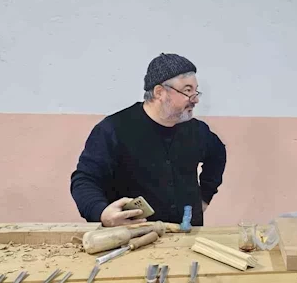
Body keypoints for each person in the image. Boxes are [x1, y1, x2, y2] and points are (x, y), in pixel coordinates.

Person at [70, 53, 227, 228]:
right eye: (187, 91)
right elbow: (85, 180)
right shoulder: (114, 129)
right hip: (133, 236)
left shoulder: (197, 130)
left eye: (195, 91)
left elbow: (218, 154)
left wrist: (204, 197)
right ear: (160, 92)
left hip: (187, 235)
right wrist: (101, 212)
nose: (195, 99)